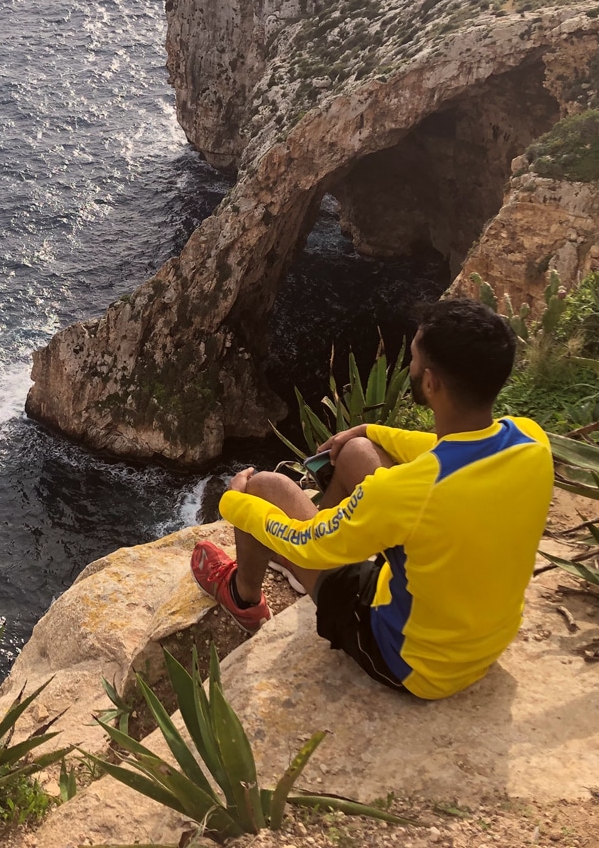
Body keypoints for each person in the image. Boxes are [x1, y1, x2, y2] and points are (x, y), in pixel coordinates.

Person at [191, 298, 553, 700]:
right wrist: (370, 430)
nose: (410, 367)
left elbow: (309, 546)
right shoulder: (531, 440)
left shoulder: (406, 493)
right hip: (482, 638)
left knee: (267, 490)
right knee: (359, 452)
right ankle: (318, 550)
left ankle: (243, 599)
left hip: (411, 662)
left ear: (430, 383)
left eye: (414, 359)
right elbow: (445, 449)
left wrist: (234, 503)